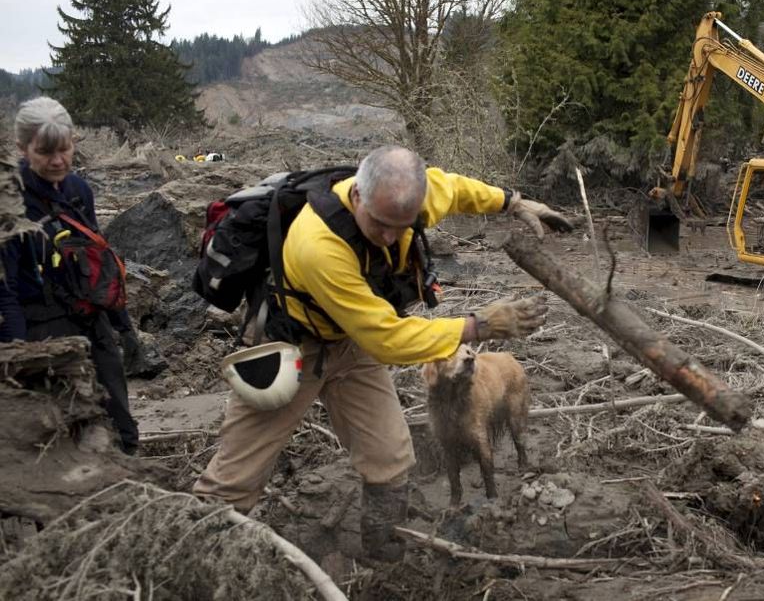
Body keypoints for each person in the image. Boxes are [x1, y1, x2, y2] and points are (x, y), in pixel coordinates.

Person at [193, 145, 572, 561]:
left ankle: (384, 557)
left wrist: (515, 202)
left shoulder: (404, 198)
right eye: (380, 224)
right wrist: (478, 325)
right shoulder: (319, 244)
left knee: (389, 456)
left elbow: (456, 188)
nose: (390, 236)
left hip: (349, 344)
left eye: (401, 226)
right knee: (236, 476)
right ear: (357, 195)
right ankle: (199, 553)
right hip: (292, 345)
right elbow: (386, 338)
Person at [0, 97, 141, 454]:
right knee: (58, 437)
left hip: (89, 317)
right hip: (37, 328)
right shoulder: (9, 201)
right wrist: (17, 360)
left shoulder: (78, 190)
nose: (58, 161)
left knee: (122, 430)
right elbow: (6, 290)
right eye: (46, 152)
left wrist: (123, 325)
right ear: (22, 148)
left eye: (64, 149)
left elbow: (99, 260)